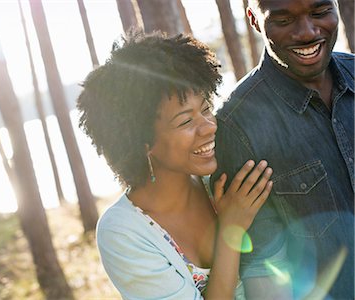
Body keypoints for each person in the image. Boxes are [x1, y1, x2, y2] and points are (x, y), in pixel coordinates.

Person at [77, 31, 273, 299]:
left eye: (205, 108)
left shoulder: (223, 178)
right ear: (142, 142)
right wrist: (231, 228)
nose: (208, 127)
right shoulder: (122, 232)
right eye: (185, 122)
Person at [211, 0, 354, 298]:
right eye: (284, 20)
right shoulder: (238, 126)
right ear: (253, 19)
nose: (307, 32)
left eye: (320, 12)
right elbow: (263, 266)